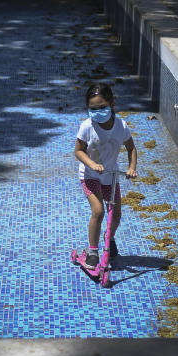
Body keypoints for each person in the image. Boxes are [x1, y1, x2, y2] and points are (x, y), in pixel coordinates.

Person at [74, 83, 138, 269]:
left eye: (102, 107)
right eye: (93, 109)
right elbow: (78, 151)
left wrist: (132, 166)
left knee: (116, 214)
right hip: (90, 175)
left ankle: (108, 238)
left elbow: (131, 147)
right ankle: (93, 251)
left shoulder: (121, 126)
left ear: (111, 103)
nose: (98, 112)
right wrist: (92, 164)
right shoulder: (87, 126)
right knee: (98, 211)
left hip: (110, 176)